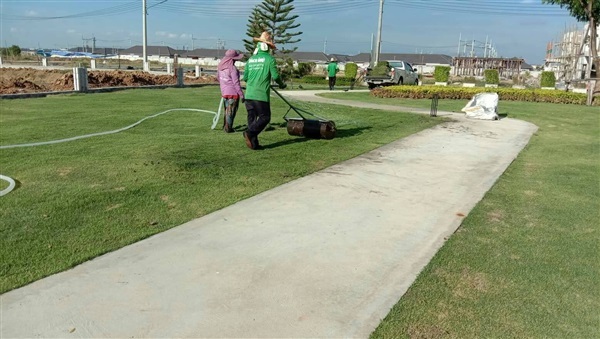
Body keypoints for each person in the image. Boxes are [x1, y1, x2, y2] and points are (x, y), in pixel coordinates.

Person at [242, 31, 286, 150]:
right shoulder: (269, 59)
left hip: (249, 95)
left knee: (252, 119)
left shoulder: (250, 60)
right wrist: (282, 84)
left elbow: (245, 77)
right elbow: (276, 77)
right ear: (267, 47)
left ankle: (254, 145)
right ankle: (249, 133)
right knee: (265, 117)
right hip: (260, 95)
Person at [217, 49, 245, 133]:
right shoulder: (232, 69)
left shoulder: (220, 67)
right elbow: (236, 83)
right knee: (231, 111)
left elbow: (218, 78)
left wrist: (224, 85)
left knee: (226, 110)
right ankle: (228, 128)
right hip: (233, 93)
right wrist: (242, 95)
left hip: (224, 92)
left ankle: (225, 126)